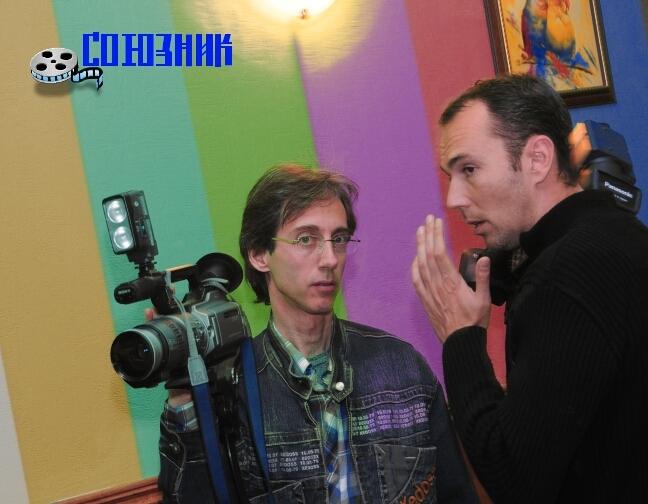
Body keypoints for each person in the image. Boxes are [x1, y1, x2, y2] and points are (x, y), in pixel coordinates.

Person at [159, 164, 477, 503]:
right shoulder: (232, 390)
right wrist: (183, 400)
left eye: (338, 239)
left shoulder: (403, 368)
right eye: (305, 239)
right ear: (259, 254)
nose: (329, 259)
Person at [411, 74, 648, 503]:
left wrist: (461, 338)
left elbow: (514, 480)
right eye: (450, 176)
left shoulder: (566, 275)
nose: (454, 198)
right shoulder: (617, 236)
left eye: (469, 169)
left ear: (537, 159)